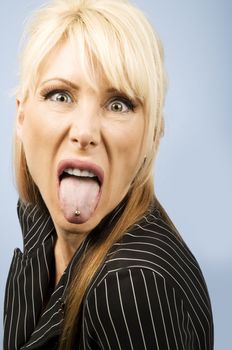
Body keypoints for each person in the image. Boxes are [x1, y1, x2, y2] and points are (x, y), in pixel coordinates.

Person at [3, 0, 214, 349]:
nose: (85, 132)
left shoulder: (133, 286)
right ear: (21, 118)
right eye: (60, 95)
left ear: (153, 135)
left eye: (118, 104)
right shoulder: (40, 231)